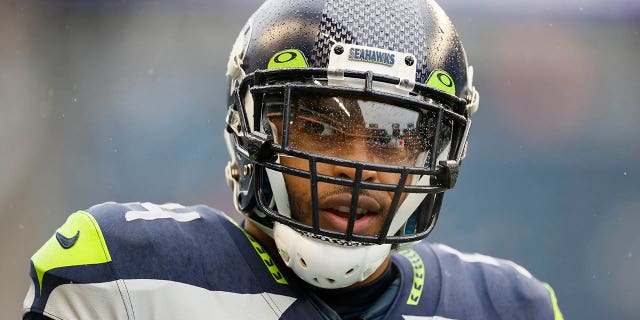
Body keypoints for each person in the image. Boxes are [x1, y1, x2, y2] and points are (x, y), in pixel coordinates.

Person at [23, 0, 564, 319]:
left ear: (441, 152)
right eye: (321, 126)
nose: (358, 166)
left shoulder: (508, 307)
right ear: (251, 128)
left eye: (392, 135)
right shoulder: (127, 276)